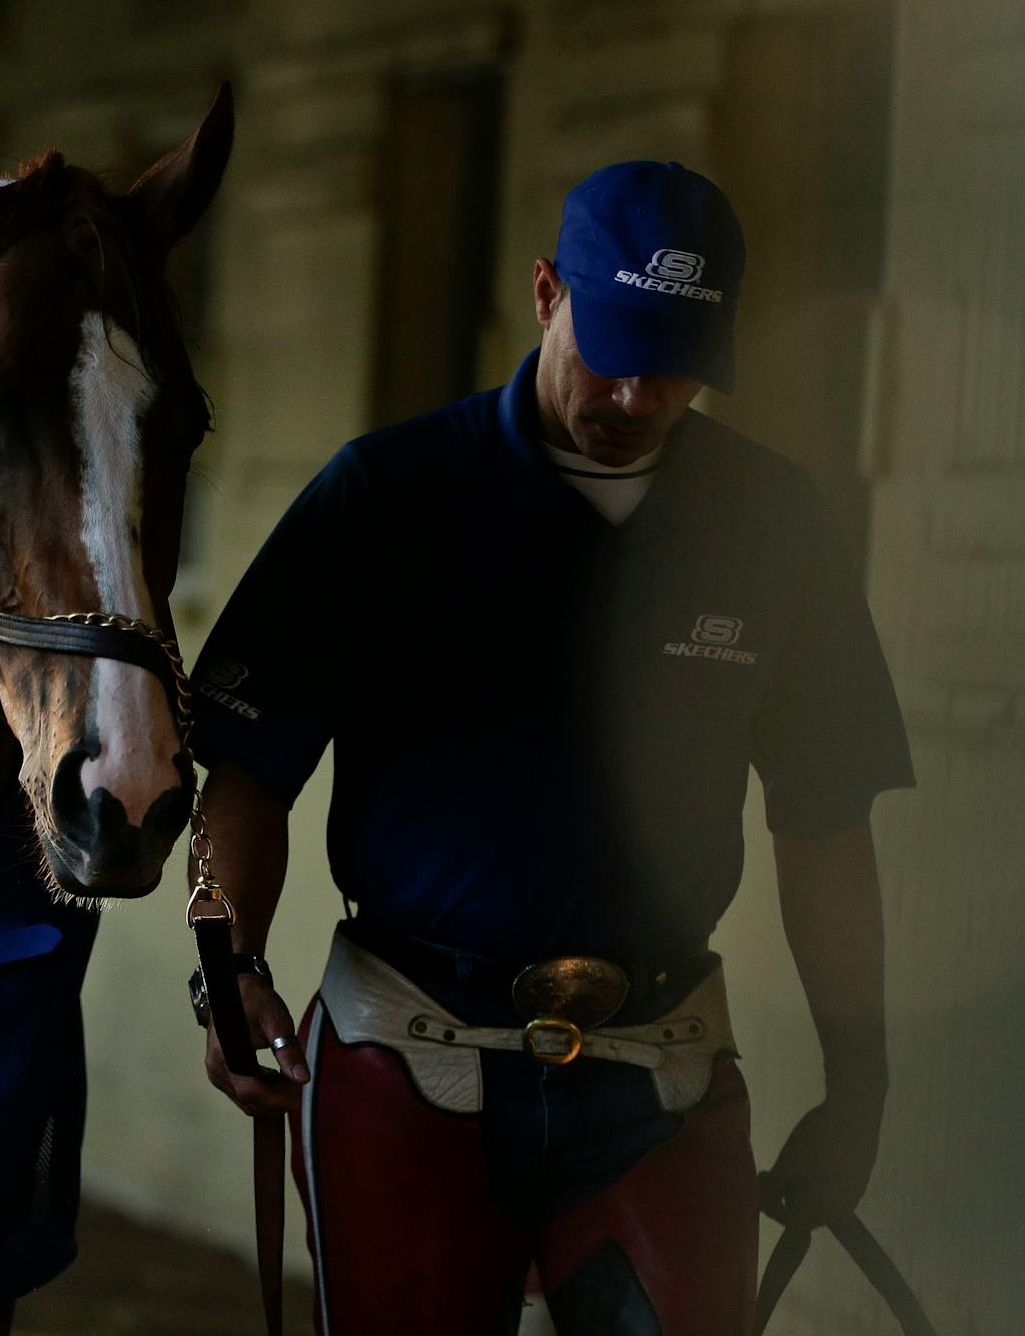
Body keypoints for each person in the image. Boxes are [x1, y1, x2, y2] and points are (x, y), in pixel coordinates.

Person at [189, 162, 913, 1331]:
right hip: (408, 1056)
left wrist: (861, 1084)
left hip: (662, 1073)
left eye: (676, 364)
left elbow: (826, 826)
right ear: (543, 292)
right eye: (616, 345)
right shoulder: (387, 496)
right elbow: (246, 776)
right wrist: (229, 979)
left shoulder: (775, 526)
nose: (637, 394)